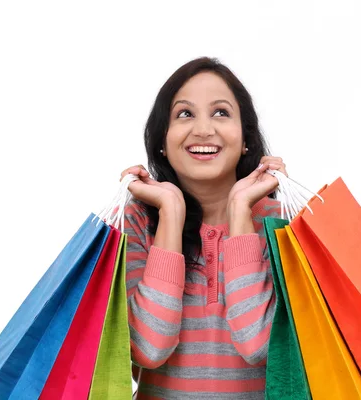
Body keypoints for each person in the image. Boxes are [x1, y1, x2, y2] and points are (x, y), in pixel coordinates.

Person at [119, 56, 288, 399]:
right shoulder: (137, 221)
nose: (203, 129)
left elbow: (259, 344)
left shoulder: (282, 223)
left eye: (221, 112)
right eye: (184, 114)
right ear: (162, 142)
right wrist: (170, 212)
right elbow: (148, 349)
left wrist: (240, 211)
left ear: (245, 140)